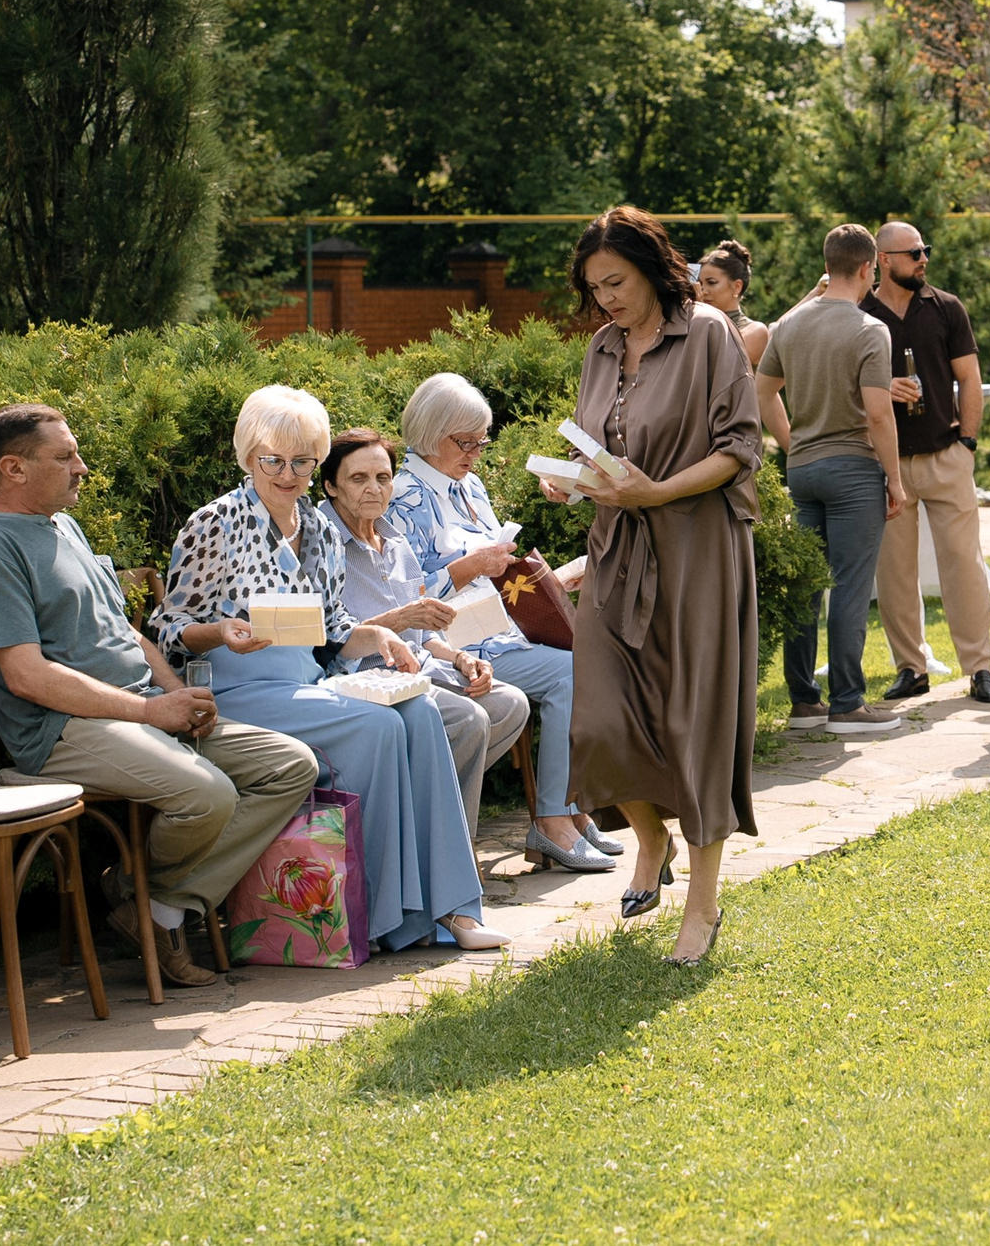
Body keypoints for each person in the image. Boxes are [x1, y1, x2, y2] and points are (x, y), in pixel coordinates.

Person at [0, 404, 318, 989]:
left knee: (290, 766)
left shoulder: (59, 521)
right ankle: (138, 897)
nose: (82, 467)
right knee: (207, 794)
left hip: (136, 707)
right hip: (60, 728)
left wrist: (177, 695)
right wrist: (147, 711)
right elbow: (26, 676)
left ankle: (151, 904)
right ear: (12, 468)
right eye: (64, 457)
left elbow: (128, 633)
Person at [155, 385, 505, 953]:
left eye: (302, 461)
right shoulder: (213, 522)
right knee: (379, 725)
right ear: (249, 457)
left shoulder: (316, 529)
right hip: (235, 688)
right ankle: (384, 916)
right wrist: (222, 632)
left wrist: (382, 635)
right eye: (273, 459)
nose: (287, 474)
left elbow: (336, 625)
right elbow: (169, 629)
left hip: (304, 683)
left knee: (417, 712)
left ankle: (450, 909)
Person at [543, 205, 760, 967]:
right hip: (616, 548)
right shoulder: (602, 348)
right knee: (596, 720)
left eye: (617, 282)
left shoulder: (707, 333)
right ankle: (647, 837)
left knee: (693, 723)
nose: (606, 299)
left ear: (652, 268)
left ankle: (703, 905)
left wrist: (657, 492)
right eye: (594, 286)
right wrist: (575, 482)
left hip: (697, 550)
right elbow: (601, 446)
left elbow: (741, 448)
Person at [384, 372, 617, 876]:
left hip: (503, 628)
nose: (474, 453)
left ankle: (573, 810)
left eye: (480, 442)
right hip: (455, 640)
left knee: (598, 655)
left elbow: (497, 568)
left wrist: (544, 581)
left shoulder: (469, 485)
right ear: (428, 434)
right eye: (463, 442)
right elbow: (405, 597)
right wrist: (470, 566)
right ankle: (553, 819)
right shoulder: (402, 497)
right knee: (573, 672)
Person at [321, 427, 530, 842]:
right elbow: (333, 638)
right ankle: (455, 854)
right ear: (331, 486)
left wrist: (460, 659)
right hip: (365, 681)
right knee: (467, 720)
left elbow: (422, 633)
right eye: (358, 479)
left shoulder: (396, 542)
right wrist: (401, 619)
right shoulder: (323, 542)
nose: (373, 489)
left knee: (510, 704)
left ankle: (422, 824)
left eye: (382, 478)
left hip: (420, 671)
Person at [758, 223, 908, 734]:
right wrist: (895, 478)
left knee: (806, 585)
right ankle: (848, 703)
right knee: (848, 586)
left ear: (828, 265)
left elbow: (762, 392)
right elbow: (880, 415)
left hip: (802, 470)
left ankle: (805, 703)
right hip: (853, 471)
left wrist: (793, 440)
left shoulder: (791, 325)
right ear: (868, 268)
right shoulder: (870, 330)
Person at [862, 220, 990, 705]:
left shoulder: (946, 308)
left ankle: (978, 668)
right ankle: (911, 668)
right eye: (914, 252)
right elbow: (843, 391)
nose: (924, 258)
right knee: (894, 573)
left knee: (964, 563)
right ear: (883, 260)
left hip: (946, 456)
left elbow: (970, 377)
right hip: (886, 466)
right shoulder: (861, 312)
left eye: (926, 250)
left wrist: (967, 444)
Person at [696, 239, 770, 368]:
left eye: (712, 282)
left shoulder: (754, 331)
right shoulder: (692, 321)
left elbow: (715, 370)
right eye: (700, 284)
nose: (703, 291)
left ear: (737, 287)